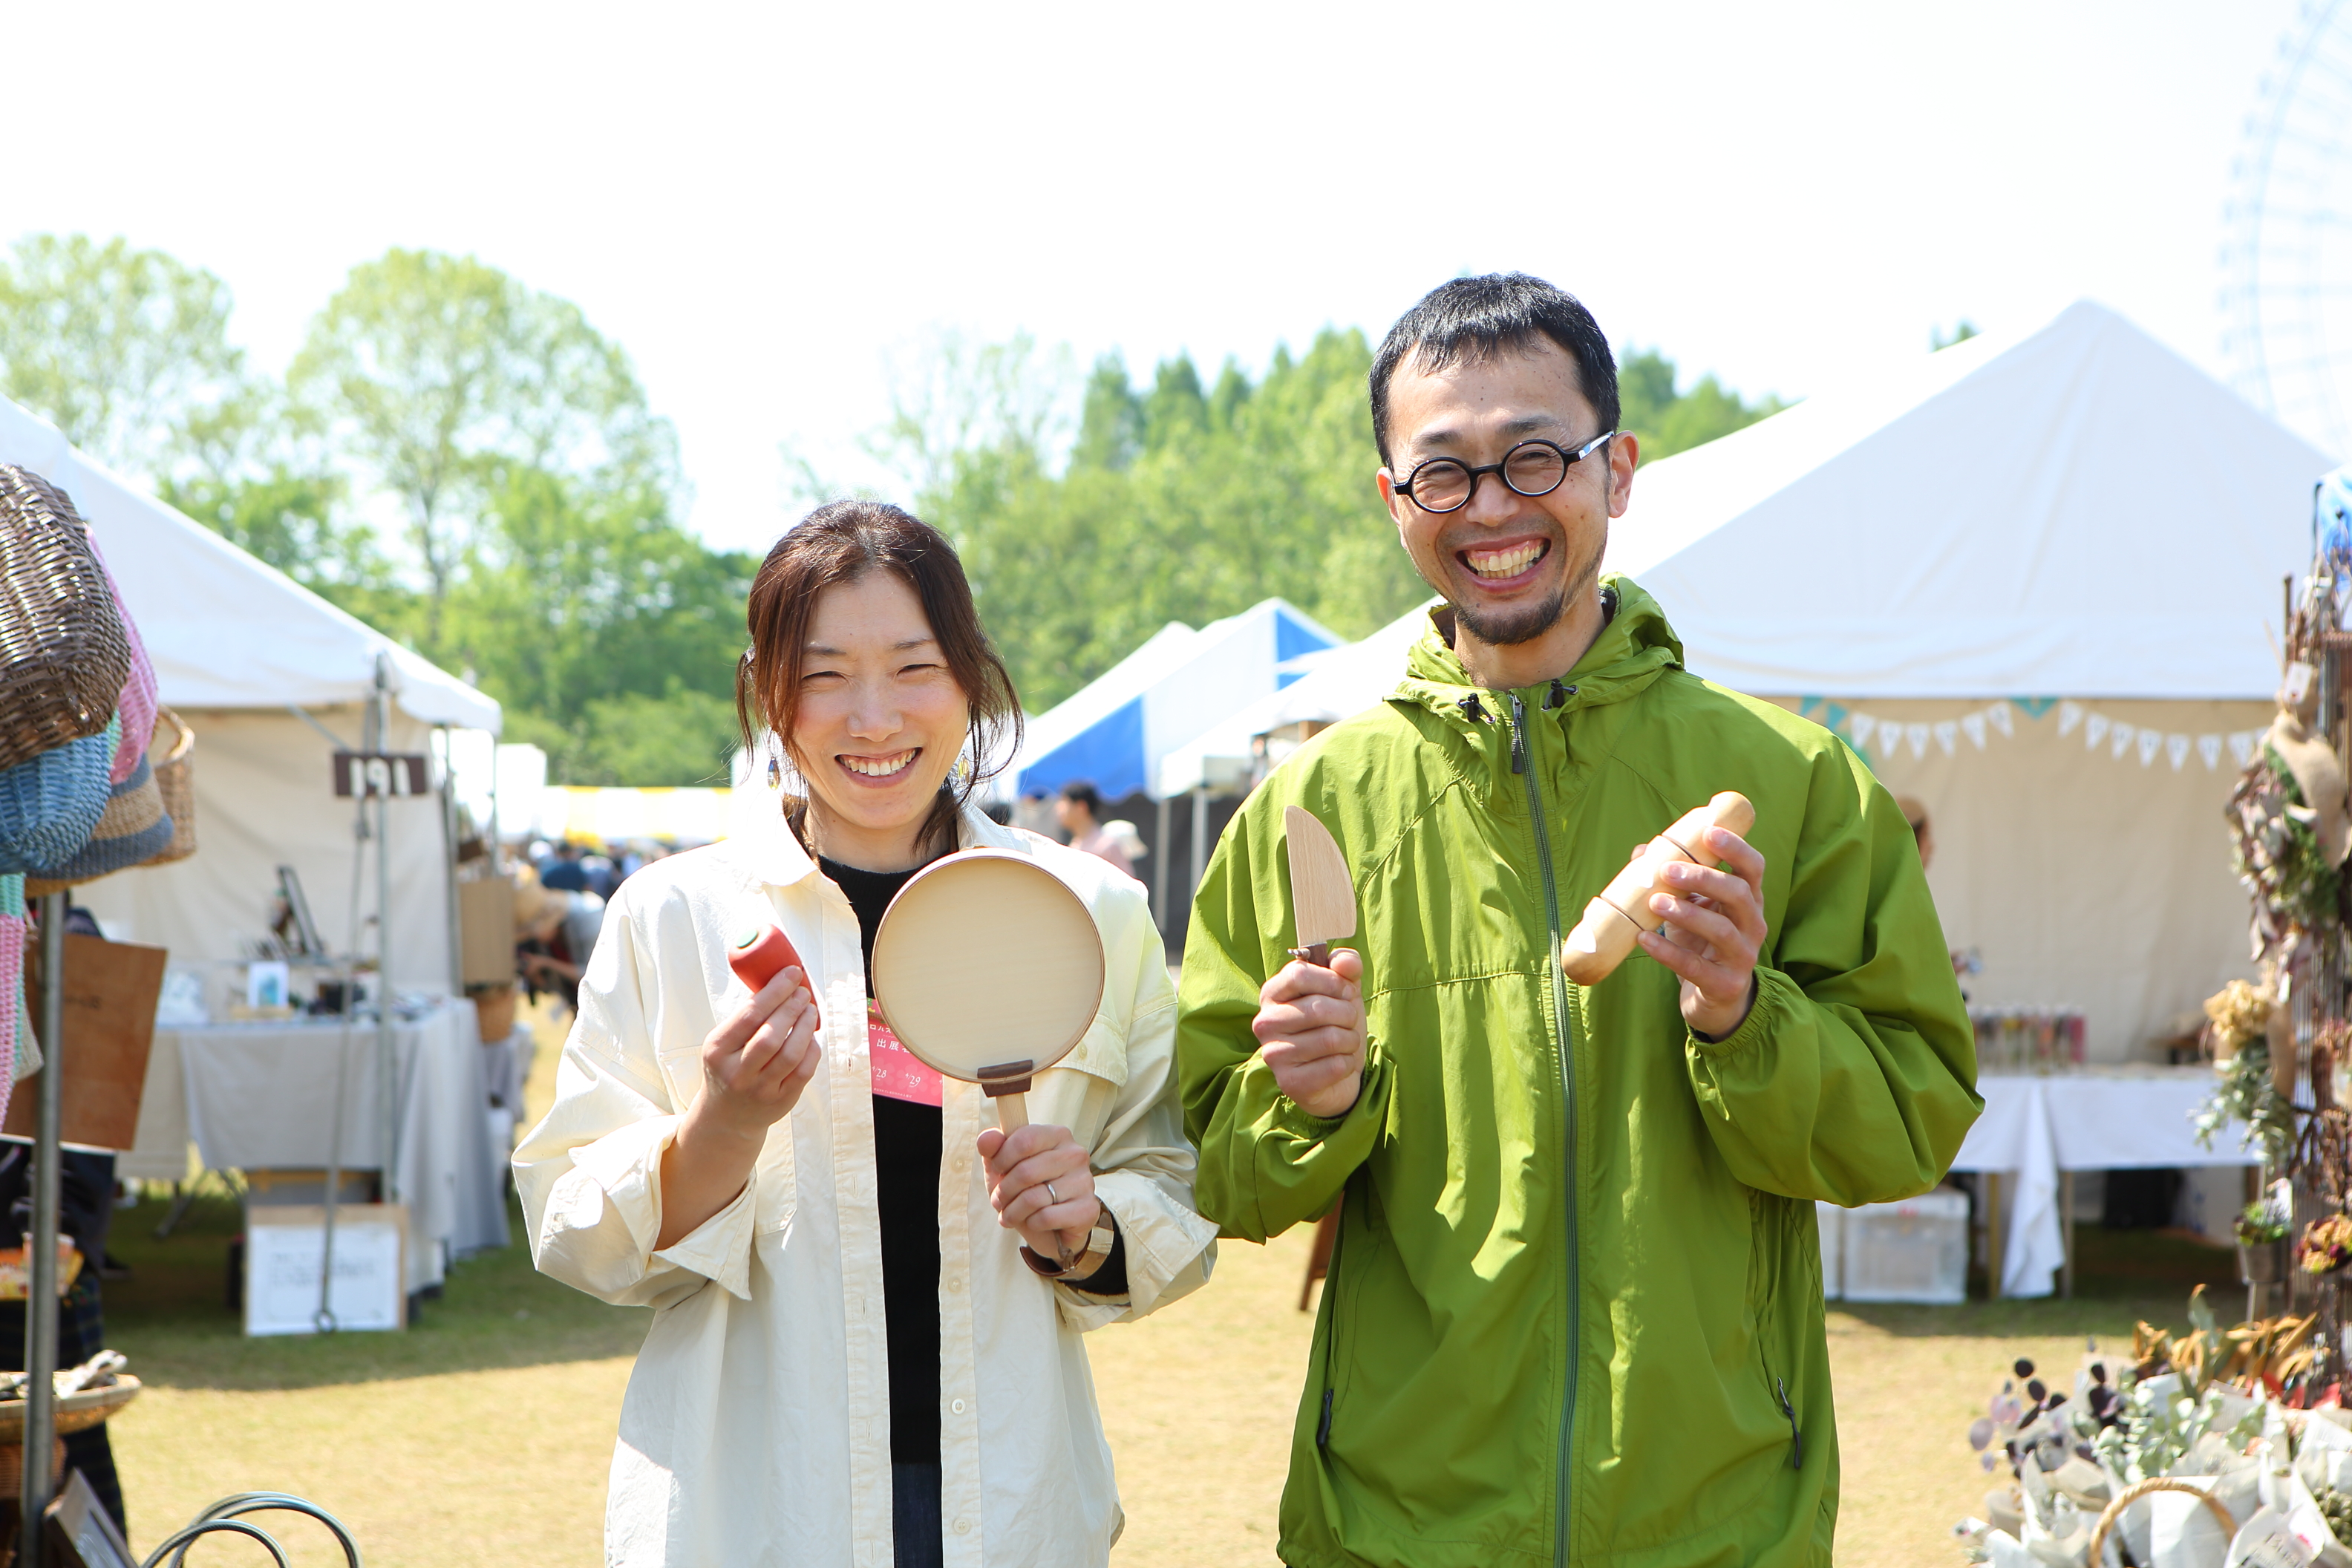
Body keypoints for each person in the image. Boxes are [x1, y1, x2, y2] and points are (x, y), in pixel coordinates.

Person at [1176, 274, 1979, 1567]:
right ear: (1392, 500)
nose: (1491, 507)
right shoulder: (1308, 807)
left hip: (1714, 1523)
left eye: (1533, 456)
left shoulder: (1793, 785)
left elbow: (1908, 1120)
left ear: (1617, 470)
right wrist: (1303, 1104)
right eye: (1443, 472)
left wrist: (1741, 1016)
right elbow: (1207, 1164)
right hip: (1397, 1525)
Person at [516, 500, 1215, 1568]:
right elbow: (574, 1232)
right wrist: (722, 1127)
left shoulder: (1089, 915)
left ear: (971, 680)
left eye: (913, 667)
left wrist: (1086, 1228)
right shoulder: (678, 916)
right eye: (826, 673)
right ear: (768, 692)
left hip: (1011, 1500)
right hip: (753, 1505)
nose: (873, 718)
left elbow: (1169, 1184)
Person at [1055, 780, 1137, 878]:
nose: (1058, 808)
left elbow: (1128, 888)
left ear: (1081, 807)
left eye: (1064, 802)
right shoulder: (1075, 844)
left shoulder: (1107, 846)